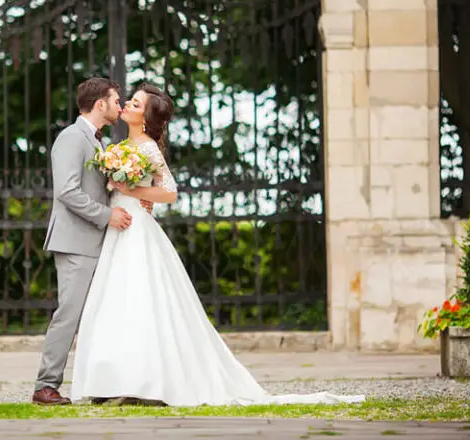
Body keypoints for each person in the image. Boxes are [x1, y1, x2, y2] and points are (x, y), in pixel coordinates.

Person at [70, 82, 365, 407]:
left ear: (146, 117)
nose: (127, 105)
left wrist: (132, 190)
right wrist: (117, 183)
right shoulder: (120, 146)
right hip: (118, 225)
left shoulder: (149, 149)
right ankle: (111, 379)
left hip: (136, 226)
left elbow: (169, 191)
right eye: (131, 101)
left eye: (136, 104)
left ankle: (145, 382)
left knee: (140, 299)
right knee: (115, 300)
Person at [32, 77, 151, 405]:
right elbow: (66, 191)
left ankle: (104, 383)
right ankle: (45, 386)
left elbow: (91, 186)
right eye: (115, 101)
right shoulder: (71, 138)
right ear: (100, 104)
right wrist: (106, 215)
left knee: (98, 315)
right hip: (75, 242)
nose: (119, 106)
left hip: (95, 241)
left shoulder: (95, 142)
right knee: (68, 315)